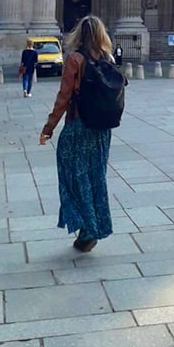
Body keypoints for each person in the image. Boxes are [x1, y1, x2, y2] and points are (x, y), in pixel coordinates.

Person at [39, 15, 116, 253]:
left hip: (79, 126)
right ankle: (93, 228)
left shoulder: (74, 59)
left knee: (73, 176)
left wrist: (49, 128)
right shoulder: (107, 58)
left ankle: (86, 228)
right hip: (102, 130)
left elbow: (63, 97)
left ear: (79, 34)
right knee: (96, 177)